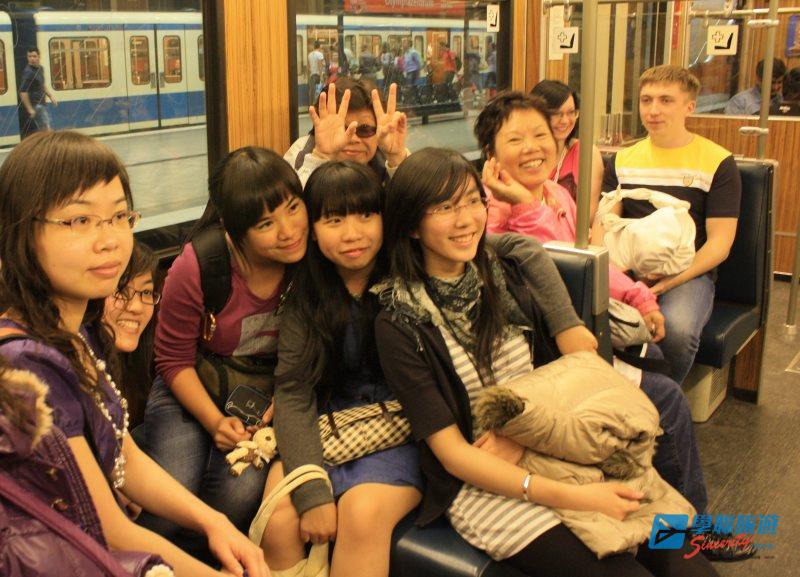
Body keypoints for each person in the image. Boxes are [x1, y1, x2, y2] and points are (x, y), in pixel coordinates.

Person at [373, 147, 719, 577]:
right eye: (444, 208)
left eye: (472, 201)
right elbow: (454, 456)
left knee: (687, 565)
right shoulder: (400, 321)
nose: (465, 220)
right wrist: (578, 497)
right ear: (411, 225)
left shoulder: (506, 275)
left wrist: (525, 438)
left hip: (562, 445)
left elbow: (575, 374)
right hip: (492, 487)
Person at [0, 130, 268, 577]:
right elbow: (108, 531)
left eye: (120, 216)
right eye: (80, 220)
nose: (110, 240)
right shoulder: (25, 366)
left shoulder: (75, 332)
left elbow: (123, 456)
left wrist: (212, 521)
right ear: (21, 232)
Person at [475, 91, 713, 517]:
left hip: (585, 337)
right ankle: (689, 531)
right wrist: (524, 205)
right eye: (515, 140)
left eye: (540, 135)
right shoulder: (486, 214)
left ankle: (654, 509)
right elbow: (547, 266)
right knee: (667, 401)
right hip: (543, 355)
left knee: (658, 362)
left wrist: (640, 297)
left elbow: (589, 261)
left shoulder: (556, 194)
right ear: (491, 155)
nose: (532, 148)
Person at [138, 146, 308, 559]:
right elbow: (172, 359)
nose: (288, 230)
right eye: (266, 224)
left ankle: (190, 562)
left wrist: (283, 402)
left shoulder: (311, 261)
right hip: (193, 386)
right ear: (235, 231)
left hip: (262, 400)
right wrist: (214, 421)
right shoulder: (201, 264)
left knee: (237, 495)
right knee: (171, 490)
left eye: (293, 208)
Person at [261, 161, 422, 577]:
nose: (352, 234)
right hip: (332, 426)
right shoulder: (307, 293)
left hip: (404, 430)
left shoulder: (411, 275)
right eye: (334, 220)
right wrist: (312, 491)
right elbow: (293, 391)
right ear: (312, 230)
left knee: (361, 514)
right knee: (279, 517)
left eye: (366, 215)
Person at [601, 65, 741, 387]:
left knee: (676, 330)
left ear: (689, 106)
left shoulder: (717, 161)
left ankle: (659, 398)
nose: (653, 110)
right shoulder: (622, 160)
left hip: (687, 272)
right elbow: (604, 224)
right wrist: (614, 275)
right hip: (627, 266)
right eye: (646, 100)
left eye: (666, 100)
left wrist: (667, 282)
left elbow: (720, 243)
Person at [284, 78, 409, 186]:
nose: (353, 139)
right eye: (342, 129)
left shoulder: (387, 154)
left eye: (365, 129)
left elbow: (416, 200)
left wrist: (396, 158)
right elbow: (293, 201)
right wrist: (321, 156)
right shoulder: (300, 154)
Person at [103, 241, 161, 430]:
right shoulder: (74, 372)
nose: (136, 307)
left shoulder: (155, 363)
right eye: (120, 290)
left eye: (146, 292)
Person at [531, 80, 604, 221]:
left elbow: (588, 216)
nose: (565, 121)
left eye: (571, 112)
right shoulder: (525, 154)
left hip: (571, 233)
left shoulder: (587, 154)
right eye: (556, 113)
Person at [19, 47, 58, 138]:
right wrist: (30, 109)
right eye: (29, 56)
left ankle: (44, 142)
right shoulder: (28, 72)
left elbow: (42, 84)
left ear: (39, 57)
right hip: (36, 105)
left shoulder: (40, 69)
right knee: (46, 128)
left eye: (34, 56)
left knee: (43, 127)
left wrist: (50, 96)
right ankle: (48, 144)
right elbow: (23, 92)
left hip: (42, 103)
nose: (32, 59)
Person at [307, 41, 326, 109]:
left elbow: (308, 66)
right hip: (318, 75)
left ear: (314, 46)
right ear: (319, 46)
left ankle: (311, 106)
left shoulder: (309, 55)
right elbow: (320, 65)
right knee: (319, 91)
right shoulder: (320, 54)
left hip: (312, 75)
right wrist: (321, 76)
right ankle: (318, 106)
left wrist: (312, 71)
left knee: (312, 92)